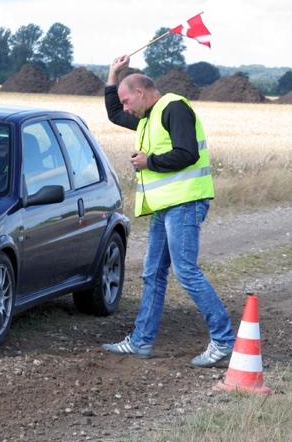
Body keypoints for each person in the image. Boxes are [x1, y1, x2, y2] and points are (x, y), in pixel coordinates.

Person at [101, 54, 235, 367]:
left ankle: (224, 340)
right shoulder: (148, 115)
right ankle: (141, 341)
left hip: (185, 203)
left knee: (186, 272)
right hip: (167, 206)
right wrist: (112, 75)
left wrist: (150, 162)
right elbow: (113, 115)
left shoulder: (174, 108)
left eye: (126, 100)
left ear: (141, 93)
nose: (125, 109)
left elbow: (187, 154)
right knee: (152, 274)